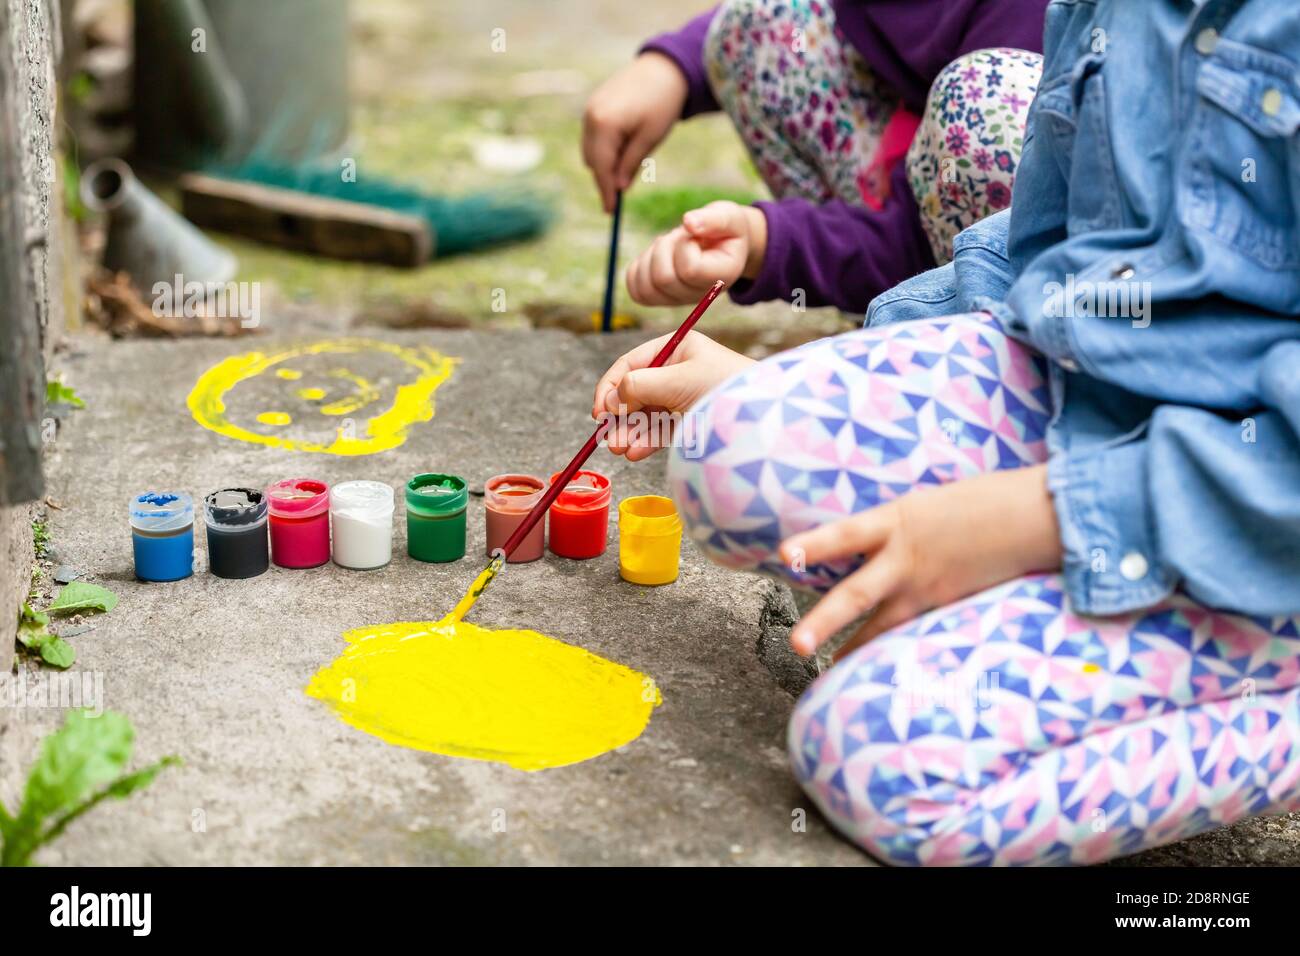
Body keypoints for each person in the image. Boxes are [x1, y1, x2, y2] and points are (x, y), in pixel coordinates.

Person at [592, 0, 1300, 865]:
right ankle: (1048, 626)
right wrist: (799, 380)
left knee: (872, 753)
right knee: (729, 451)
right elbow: (1042, 256)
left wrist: (1038, 518)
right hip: (1099, 399)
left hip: (1260, 530)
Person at [582, 0, 1048, 314]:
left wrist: (766, 240)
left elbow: (917, 243)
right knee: (761, 25)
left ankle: (949, 343)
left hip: (1024, 267)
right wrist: (673, 67)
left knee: (984, 104)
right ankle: (882, 307)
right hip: (933, 180)